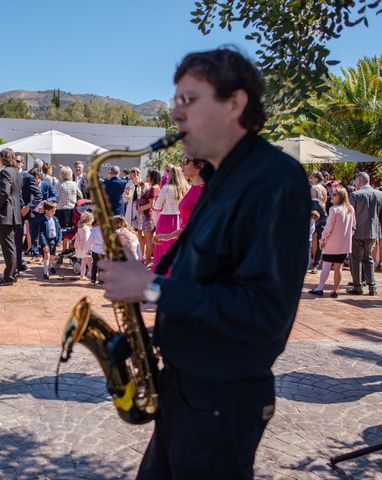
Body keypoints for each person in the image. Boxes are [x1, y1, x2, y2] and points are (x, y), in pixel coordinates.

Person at [99, 49, 310, 479]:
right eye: (175, 101)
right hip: (187, 388)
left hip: (221, 400)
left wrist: (152, 287)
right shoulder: (220, 179)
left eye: (188, 100)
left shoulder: (275, 180)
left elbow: (264, 310)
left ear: (235, 103)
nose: (176, 114)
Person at [309, 186, 356, 297]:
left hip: (331, 243)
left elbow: (328, 227)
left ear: (341, 196)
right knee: (338, 268)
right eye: (332, 194)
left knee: (326, 266)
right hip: (344, 245)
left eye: (335, 194)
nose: (332, 196)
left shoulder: (334, 209)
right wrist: (347, 237)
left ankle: (320, 288)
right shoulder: (350, 209)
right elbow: (354, 227)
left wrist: (323, 239)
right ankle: (335, 291)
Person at [348, 172, 382, 296]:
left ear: (358, 182)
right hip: (373, 232)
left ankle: (358, 286)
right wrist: (378, 230)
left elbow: (350, 215)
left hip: (356, 231)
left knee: (356, 258)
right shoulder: (381, 194)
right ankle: (372, 286)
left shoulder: (355, 195)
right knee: (368, 258)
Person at [154, 157, 205, 244]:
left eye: (185, 160)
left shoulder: (206, 190)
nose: (181, 164)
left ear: (199, 166)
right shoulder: (192, 188)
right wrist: (167, 236)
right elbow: (186, 227)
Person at [0, 148, 23, 286]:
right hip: (15, 213)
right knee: (12, 245)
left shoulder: (5, 172)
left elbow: (4, 193)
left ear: (3, 158)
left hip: (6, 213)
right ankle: (13, 273)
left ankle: (9, 276)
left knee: (8, 246)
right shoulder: (17, 172)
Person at [152, 166, 189, 271]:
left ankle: (161, 271)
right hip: (181, 219)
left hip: (166, 220)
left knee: (162, 245)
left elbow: (157, 206)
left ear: (170, 175)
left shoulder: (166, 188)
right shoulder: (186, 187)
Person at [137, 170, 161, 266]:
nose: (146, 177)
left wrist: (141, 208)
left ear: (151, 177)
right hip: (152, 216)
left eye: (147, 175)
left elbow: (151, 204)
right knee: (149, 240)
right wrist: (142, 187)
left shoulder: (153, 188)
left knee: (148, 240)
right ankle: (148, 261)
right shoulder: (157, 188)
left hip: (149, 217)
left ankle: (147, 262)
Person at [56, 166, 83, 251]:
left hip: (60, 210)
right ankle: (71, 250)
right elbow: (81, 196)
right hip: (72, 210)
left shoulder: (58, 184)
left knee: (63, 231)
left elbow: (55, 196)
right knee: (72, 230)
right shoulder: (74, 184)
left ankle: (63, 250)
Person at [38, 201, 62, 280]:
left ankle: (50, 265)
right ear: (46, 210)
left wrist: (59, 240)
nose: (54, 213)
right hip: (46, 240)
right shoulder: (42, 220)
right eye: (52, 211)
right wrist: (44, 244)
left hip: (53, 240)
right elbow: (41, 233)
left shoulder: (55, 219)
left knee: (52, 257)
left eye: (55, 211)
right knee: (47, 255)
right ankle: (46, 272)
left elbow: (59, 230)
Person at [309, 184, 328, 274]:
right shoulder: (311, 201)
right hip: (313, 224)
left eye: (312, 190)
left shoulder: (317, 202)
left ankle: (316, 264)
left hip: (319, 224)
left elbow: (324, 216)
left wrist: (315, 222)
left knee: (319, 244)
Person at [73, 211, 94, 280]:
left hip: (80, 245)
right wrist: (89, 248)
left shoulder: (80, 226)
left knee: (87, 260)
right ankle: (83, 275)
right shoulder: (86, 228)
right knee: (86, 261)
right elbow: (87, 239)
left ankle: (89, 272)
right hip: (85, 247)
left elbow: (77, 235)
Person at [123, 167, 144, 231]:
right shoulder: (128, 184)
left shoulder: (144, 184)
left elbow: (146, 197)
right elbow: (125, 200)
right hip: (130, 209)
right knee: (130, 229)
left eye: (137, 172)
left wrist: (142, 189)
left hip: (141, 209)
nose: (135, 173)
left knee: (140, 229)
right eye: (133, 171)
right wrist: (126, 192)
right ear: (130, 174)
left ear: (140, 174)